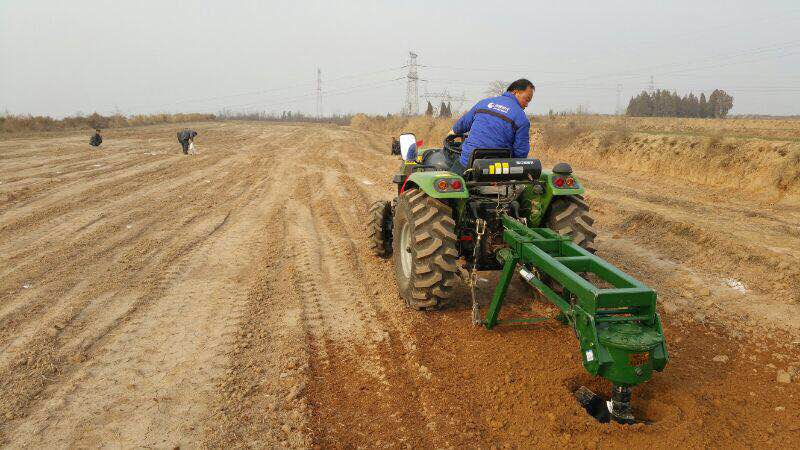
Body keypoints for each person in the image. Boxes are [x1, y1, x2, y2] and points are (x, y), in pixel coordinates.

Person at [449, 79, 535, 175]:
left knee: (449, 182)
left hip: (467, 163)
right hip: (497, 172)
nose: (526, 104)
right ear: (516, 93)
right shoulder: (522, 118)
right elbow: (520, 153)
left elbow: (461, 125)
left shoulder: (484, 103)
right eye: (526, 99)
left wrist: (452, 132)